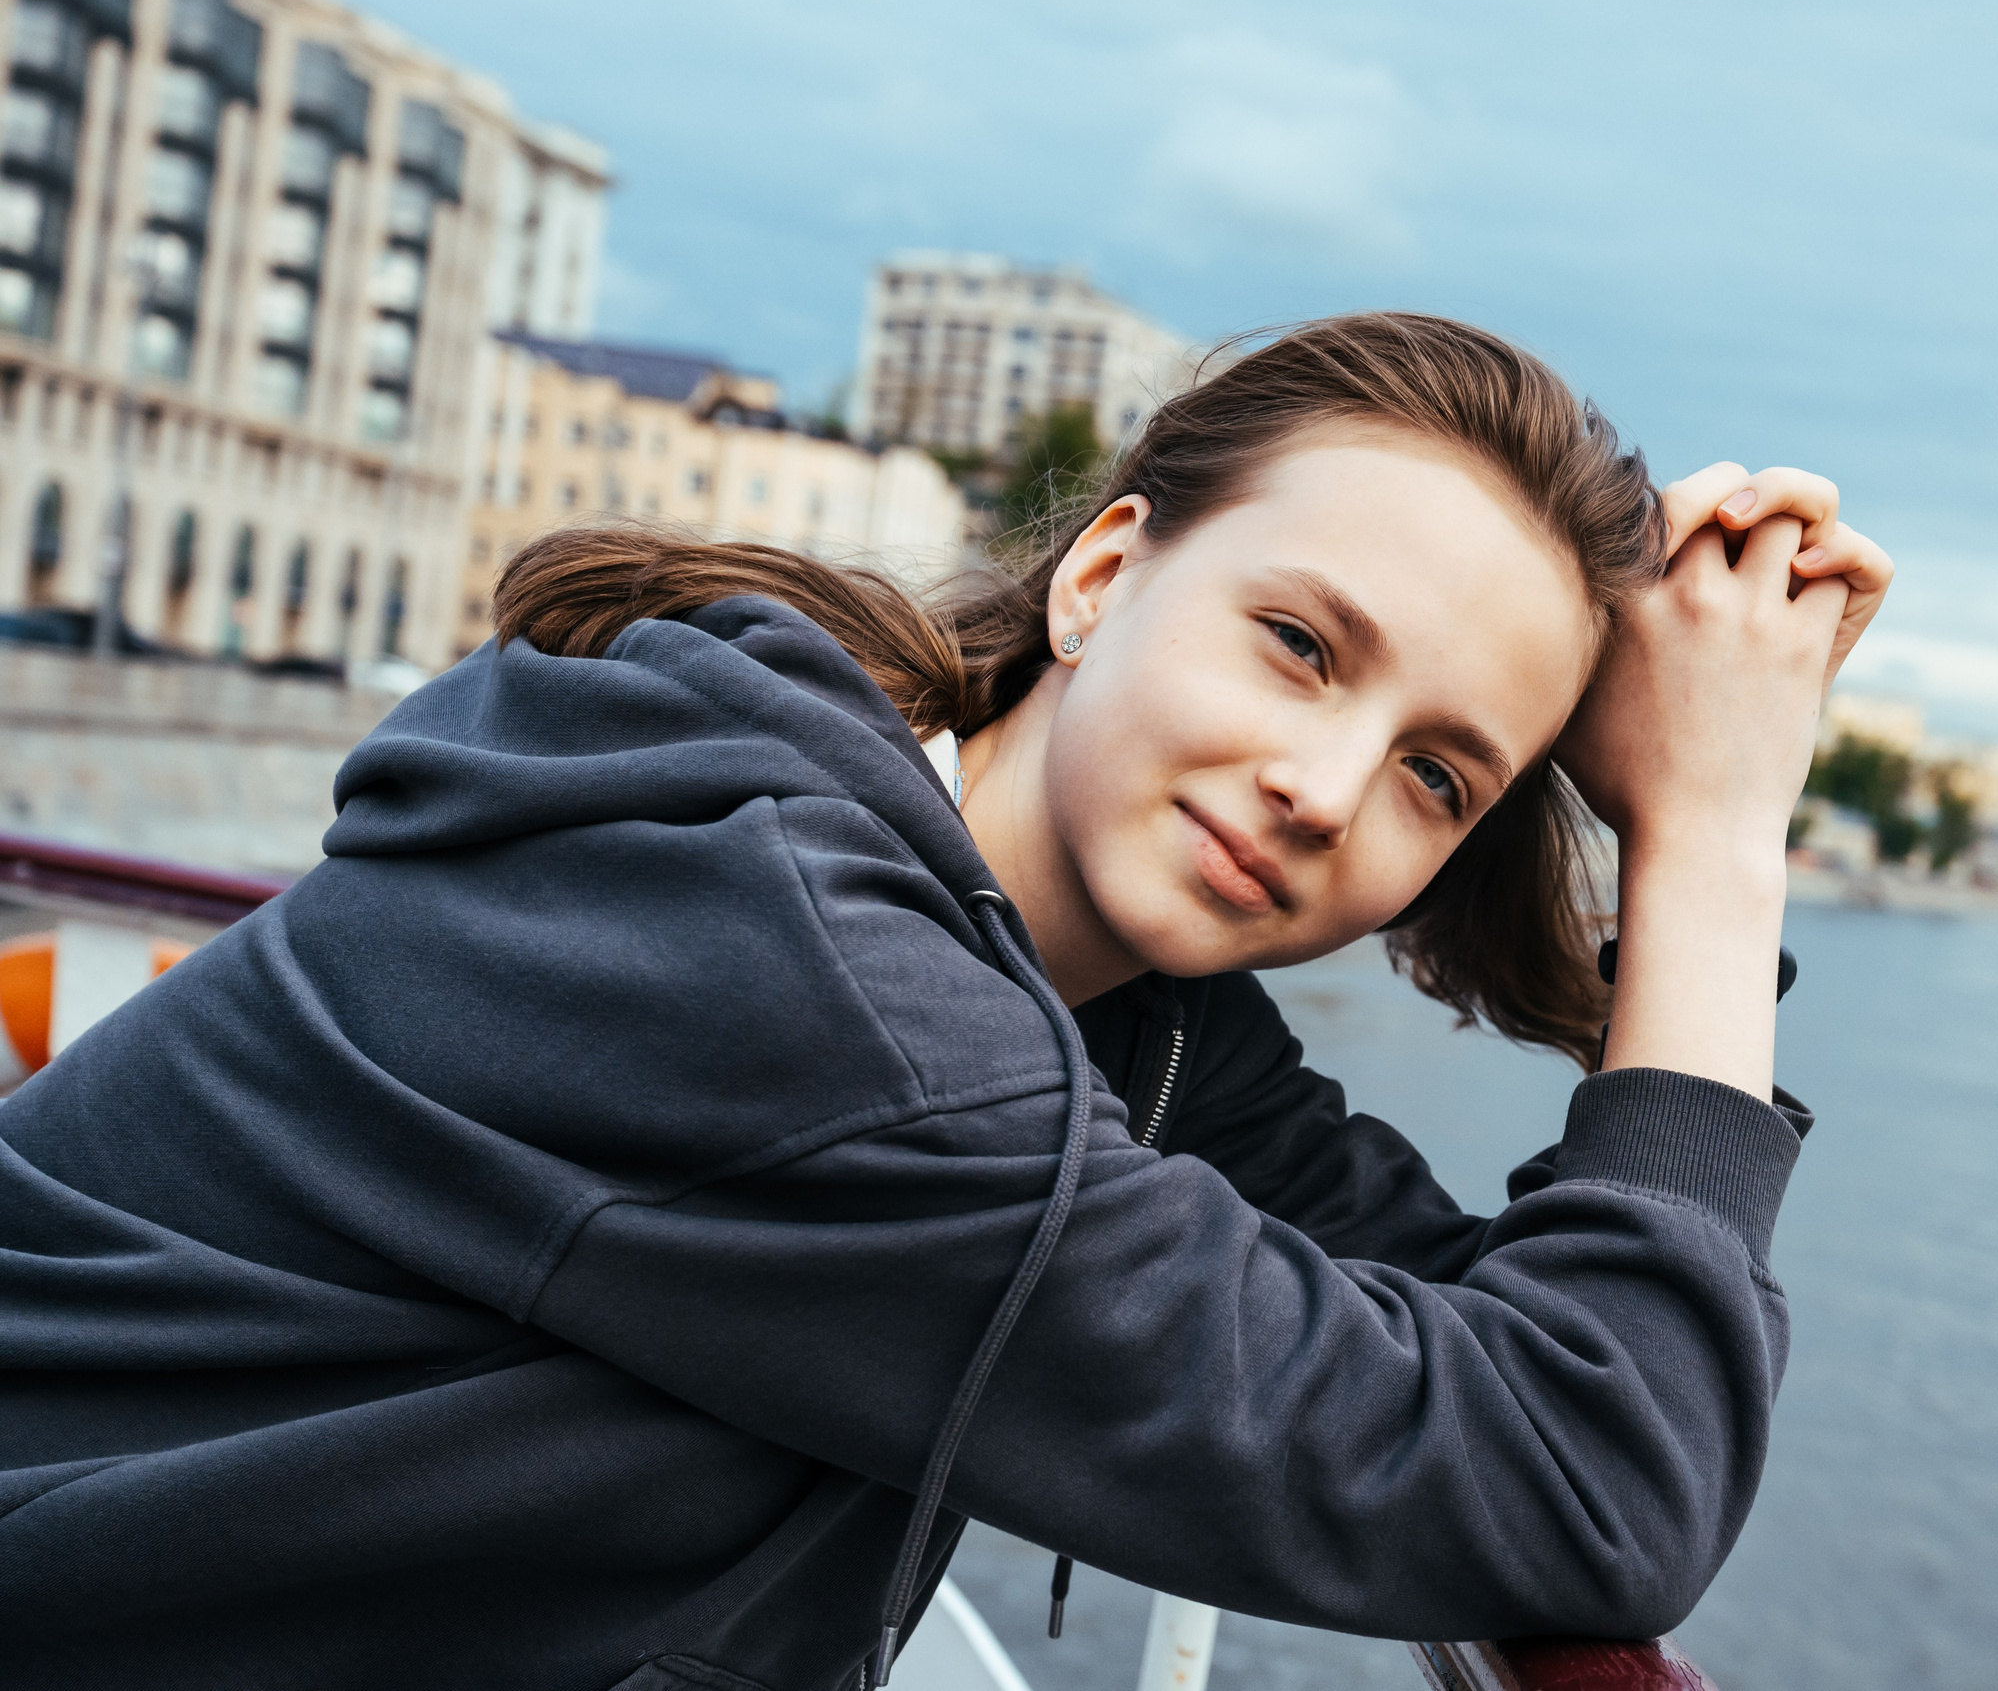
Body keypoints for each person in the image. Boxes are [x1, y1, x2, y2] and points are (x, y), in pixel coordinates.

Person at [0, 313, 1892, 1690]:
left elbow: (1527, 1349)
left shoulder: (1099, 1010)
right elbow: (1584, 1480)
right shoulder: (794, 976)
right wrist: (1717, 840)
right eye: (1301, 646)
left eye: (1437, 777)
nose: (1325, 785)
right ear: (1105, 572)